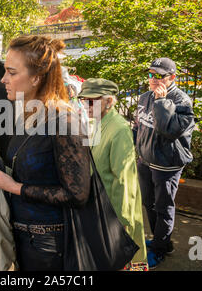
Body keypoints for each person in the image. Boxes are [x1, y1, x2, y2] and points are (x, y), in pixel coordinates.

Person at [0, 35, 91, 271]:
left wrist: (13, 187)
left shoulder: (65, 121)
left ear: (36, 78)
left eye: (11, 72)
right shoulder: (29, 117)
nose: (2, 79)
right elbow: (26, 176)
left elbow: (78, 194)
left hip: (50, 249)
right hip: (23, 241)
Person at [78, 78, 148, 271]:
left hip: (114, 212)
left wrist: (122, 220)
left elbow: (124, 179)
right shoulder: (96, 122)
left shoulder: (119, 129)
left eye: (92, 100)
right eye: (84, 100)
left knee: (119, 260)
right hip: (100, 206)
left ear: (109, 101)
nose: (87, 105)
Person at [133, 57, 195, 269]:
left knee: (163, 207)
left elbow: (168, 131)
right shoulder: (144, 97)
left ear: (172, 77)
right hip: (145, 160)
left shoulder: (182, 101)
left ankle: (159, 249)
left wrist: (161, 103)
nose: (154, 79)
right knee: (148, 203)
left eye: (160, 75)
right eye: (151, 74)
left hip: (166, 164)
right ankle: (162, 241)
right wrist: (137, 149)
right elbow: (138, 127)